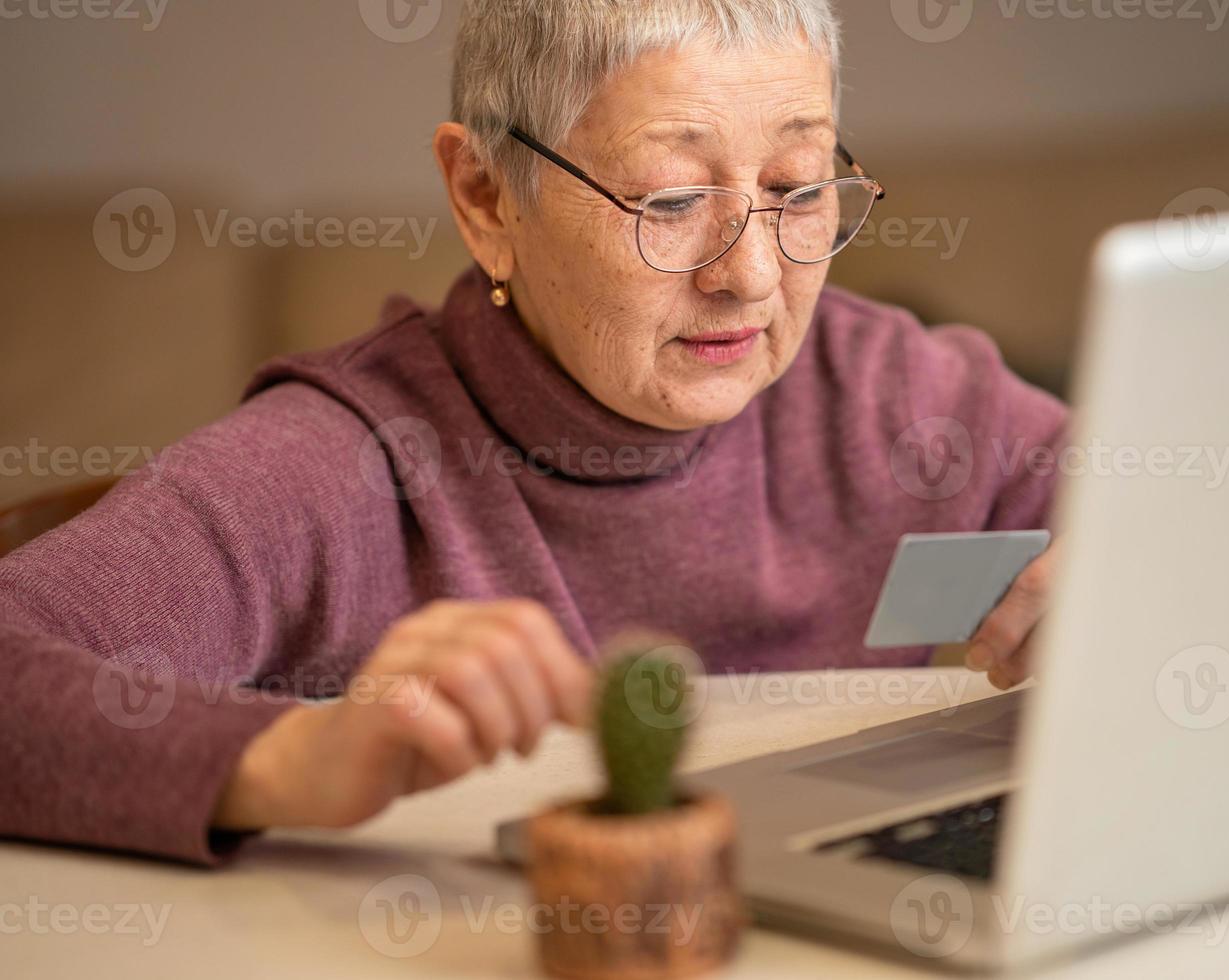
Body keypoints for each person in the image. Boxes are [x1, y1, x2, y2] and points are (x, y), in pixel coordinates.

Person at [0, 0, 1066, 864]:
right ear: (484, 196)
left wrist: (1147, 572)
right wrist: (287, 756)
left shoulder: (889, 388)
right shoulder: (334, 466)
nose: (748, 275)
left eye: (795, 186)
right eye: (670, 198)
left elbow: (1187, 512)